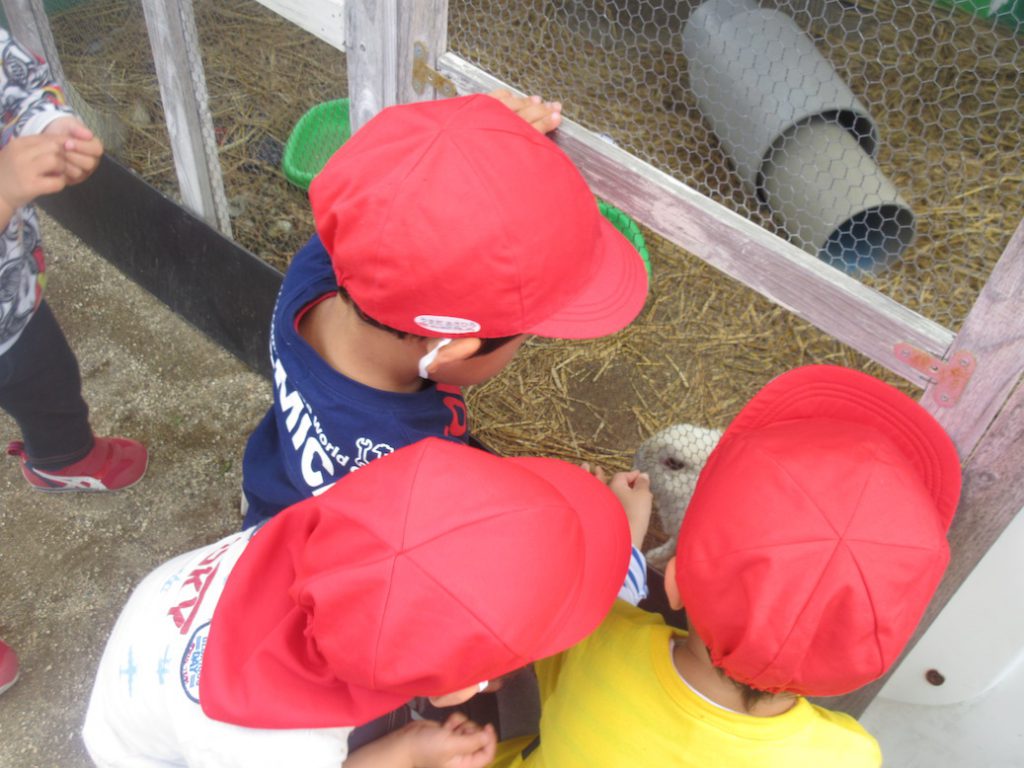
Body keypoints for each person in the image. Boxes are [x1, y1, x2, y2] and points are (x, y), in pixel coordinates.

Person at [487, 364, 963, 767]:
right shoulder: (848, 755)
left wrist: (621, 538)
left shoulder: (601, 642)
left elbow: (581, 607)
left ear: (673, 581)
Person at [82, 437, 651, 767]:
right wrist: (404, 753)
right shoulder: (276, 750)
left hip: (168, 639)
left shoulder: (337, 526)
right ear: (459, 691)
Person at [240, 91, 649, 528]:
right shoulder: (417, 472)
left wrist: (467, 154)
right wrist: (620, 536)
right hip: (320, 550)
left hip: (276, 492)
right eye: (526, 332)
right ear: (450, 349)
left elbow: (385, 205)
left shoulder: (320, 270)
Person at [0, 28, 147, 491]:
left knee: (48, 377)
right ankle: (63, 457)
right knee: (39, 377)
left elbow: (23, 86)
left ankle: (61, 455)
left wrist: (50, 127)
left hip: (12, 296)